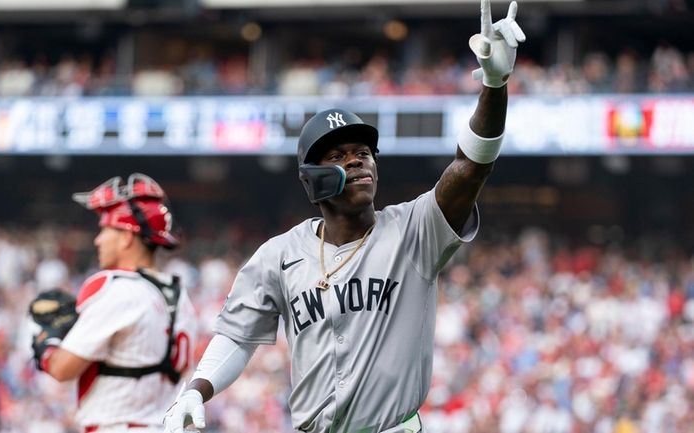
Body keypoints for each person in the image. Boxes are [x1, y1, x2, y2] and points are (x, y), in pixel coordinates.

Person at [164, 1, 525, 432]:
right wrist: (195, 390)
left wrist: (494, 83)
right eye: (339, 156)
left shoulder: (414, 230)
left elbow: (470, 168)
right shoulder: (279, 255)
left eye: (363, 153)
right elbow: (238, 335)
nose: (358, 162)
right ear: (311, 180)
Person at [29, 173, 197, 433]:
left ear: (126, 236)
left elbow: (62, 369)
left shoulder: (118, 288)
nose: (97, 240)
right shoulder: (179, 295)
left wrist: (47, 346)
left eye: (105, 229)